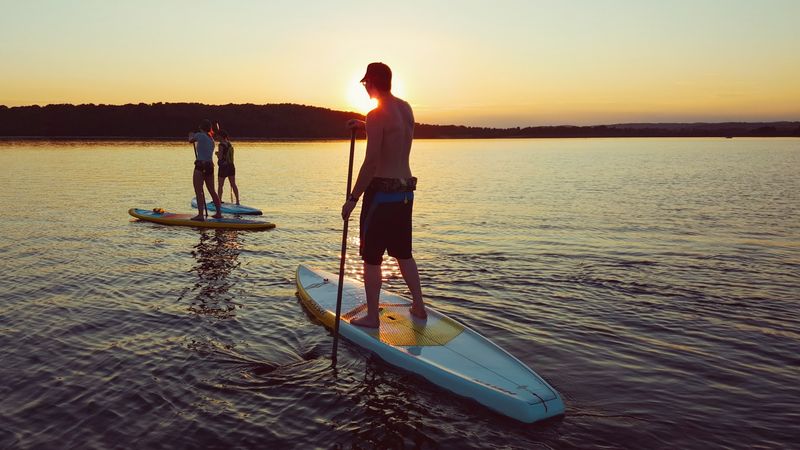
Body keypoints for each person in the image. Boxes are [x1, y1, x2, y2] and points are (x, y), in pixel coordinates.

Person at [342, 62, 427, 328]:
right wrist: (365, 124)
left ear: (373, 82)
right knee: (404, 254)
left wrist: (353, 199)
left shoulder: (377, 115)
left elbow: (372, 164)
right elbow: (392, 133)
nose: (365, 86)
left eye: (366, 82)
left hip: (380, 196)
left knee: (371, 258)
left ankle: (371, 318)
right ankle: (419, 306)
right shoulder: (405, 108)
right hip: (405, 193)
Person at [188, 119, 223, 220]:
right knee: (212, 190)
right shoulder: (211, 139)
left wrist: (190, 134)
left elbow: (190, 140)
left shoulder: (199, 135)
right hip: (210, 166)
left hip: (200, 165)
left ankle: (200, 215)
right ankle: (219, 213)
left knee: (199, 191)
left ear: (201, 127)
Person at [216, 130, 240, 205]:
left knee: (220, 185)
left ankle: (219, 201)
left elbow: (220, 157)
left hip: (223, 167)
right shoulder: (229, 144)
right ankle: (237, 201)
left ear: (221, 136)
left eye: (218, 136)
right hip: (231, 166)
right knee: (233, 184)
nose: (216, 137)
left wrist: (217, 153)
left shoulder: (221, 145)